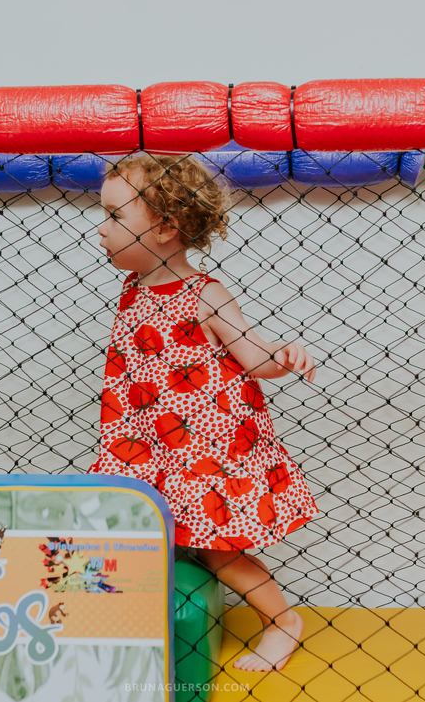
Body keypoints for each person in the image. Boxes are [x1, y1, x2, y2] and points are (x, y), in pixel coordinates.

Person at [88, 153, 319, 672]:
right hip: (149, 445)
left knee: (219, 548)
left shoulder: (204, 295)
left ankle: (283, 622)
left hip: (202, 451)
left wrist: (284, 354)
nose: (99, 229)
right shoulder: (134, 289)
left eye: (114, 216)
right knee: (136, 529)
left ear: (167, 228)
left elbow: (252, 358)